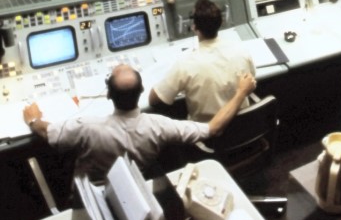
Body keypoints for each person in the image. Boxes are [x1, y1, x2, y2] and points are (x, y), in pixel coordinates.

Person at [22, 64, 256, 180]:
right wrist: (241, 93)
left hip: (91, 198)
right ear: (142, 91)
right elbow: (213, 128)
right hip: (135, 192)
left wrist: (33, 119)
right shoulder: (159, 125)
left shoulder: (86, 127)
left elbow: (46, 132)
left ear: (108, 95)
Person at [149, 0, 255, 122]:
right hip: (244, 128)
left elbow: (154, 99)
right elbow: (251, 79)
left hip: (208, 131)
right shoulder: (242, 51)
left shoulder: (185, 64)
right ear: (221, 23)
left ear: (194, 27)